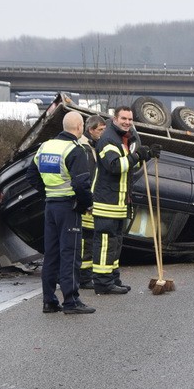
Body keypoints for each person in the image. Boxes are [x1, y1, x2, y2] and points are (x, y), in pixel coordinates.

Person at [25, 110, 95, 314]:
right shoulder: (75, 150)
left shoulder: (46, 146)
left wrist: (47, 191)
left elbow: (31, 175)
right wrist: (86, 205)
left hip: (51, 206)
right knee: (70, 254)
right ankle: (71, 301)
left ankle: (49, 301)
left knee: (51, 255)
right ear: (80, 127)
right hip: (68, 207)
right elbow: (82, 184)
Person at [91, 106, 160, 294]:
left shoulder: (124, 139)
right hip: (107, 202)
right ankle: (103, 283)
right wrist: (136, 155)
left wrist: (146, 156)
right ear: (115, 118)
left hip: (120, 202)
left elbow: (129, 165)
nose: (127, 122)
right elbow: (114, 166)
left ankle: (113, 278)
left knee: (116, 242)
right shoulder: (107, 140)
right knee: (106, 242)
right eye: (124, 118)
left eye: (130, 119)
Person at [78, 114, 107, 290]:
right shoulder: (86, 148)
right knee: (85, 241)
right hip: (85, 204)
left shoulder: (90, 145)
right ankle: (83, 278)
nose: (103, 134)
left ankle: (83, 277)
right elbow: (88, 177)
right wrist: (88, 202)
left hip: (83, 202)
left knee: (86, 240)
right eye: (100, 130)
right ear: (90, 130)